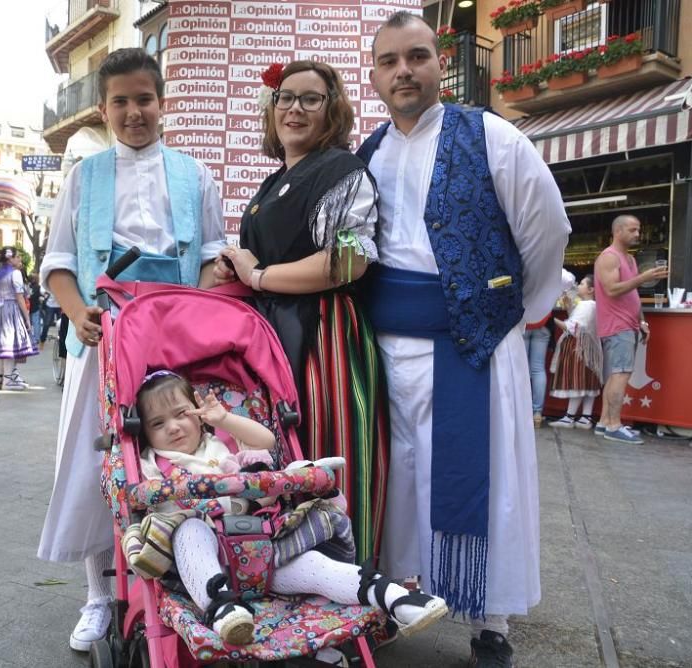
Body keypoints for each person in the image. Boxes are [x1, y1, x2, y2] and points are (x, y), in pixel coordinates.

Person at [356, 12, 571, 665]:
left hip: (473, 346)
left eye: (416, 57)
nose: (404, 71)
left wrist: (511, 311)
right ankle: (394, 600)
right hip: (388, 347)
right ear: (374, 73)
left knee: (486, 479)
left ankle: (491, 619)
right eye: (390, 60)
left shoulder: (493, 137)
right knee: (399, 482)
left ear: (439, 62)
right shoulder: (368, 150)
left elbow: (547, 231)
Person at [37, 47, 226, 653]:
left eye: (144, 99)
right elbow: (59, 265)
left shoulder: (195, 175)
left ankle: (181, 579)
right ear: (103, 108)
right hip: (102, 342)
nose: (134, 111)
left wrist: (186, 315)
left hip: (175, 342)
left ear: (162, 104)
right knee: (95, 467)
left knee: (178, 456)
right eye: (120, 101)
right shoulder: (82, 177)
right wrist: (77, 315)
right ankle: (97, 595)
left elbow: (213, 261)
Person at [213, 60, 387, 563]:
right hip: (274, 334)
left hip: (324, 339)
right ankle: (290, 586)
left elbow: (349, 260)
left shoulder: (341, 170)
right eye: (285, 97)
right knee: (281, 456)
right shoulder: (275, 182)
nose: (293, 108)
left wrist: (259, 276)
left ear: (331, 110)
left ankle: (346, 588)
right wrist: (237, 268)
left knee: (327, 452)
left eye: (310, 99)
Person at [133, 371, 447, 646]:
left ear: (199, 414)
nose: (173, 427)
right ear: (144, 432)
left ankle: (396, 598)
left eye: (182, 414)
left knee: (317, 568)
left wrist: (223, 419)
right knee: (188, 528)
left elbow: (267, 441)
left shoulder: (225, 442)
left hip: (263, 551)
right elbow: (148, 504)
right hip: (203, 563)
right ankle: (222, 610)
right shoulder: (153, 464)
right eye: (158, 423)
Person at [593, 214, 667, 444]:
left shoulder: (630, 259)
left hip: (628, 324)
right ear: (618, 231)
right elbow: (613, 289)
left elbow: (631, 295)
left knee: (617, 374)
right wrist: (642, 278)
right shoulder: (609, 257)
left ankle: (605, 423)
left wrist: (642, 321)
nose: (638, 234)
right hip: (616, 326)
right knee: (620, 374)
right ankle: (614, 425)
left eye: (638, 230)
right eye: (633, 230)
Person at [549, 275, 602, 429]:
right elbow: (577, 320)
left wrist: (550, 319)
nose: (579, 285)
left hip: (578, 348)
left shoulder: (587, 306)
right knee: (588, 383)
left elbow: (572, 327)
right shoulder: (591, 305)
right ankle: (586, 416)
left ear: (591, 289)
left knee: (577, 382)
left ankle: (569, 416)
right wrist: (568, 307)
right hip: (591, 349)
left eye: (583, 283)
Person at [0, 248, 37, 390]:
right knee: (10, 343)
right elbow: (19, 297)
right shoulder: (15, 274)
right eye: (17, 257)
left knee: (3, 344)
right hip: (11, 309)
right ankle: (8, 381)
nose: (20, 260)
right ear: (10, 259)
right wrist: (27, 318)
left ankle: (1, 377)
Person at [27, 272, 43, 343]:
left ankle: (29, 337)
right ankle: (37, 338)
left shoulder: (27, 286)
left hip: (28, 307)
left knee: (28, 323)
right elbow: (36, 295)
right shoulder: (37, 287)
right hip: (35, 307)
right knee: (36, 323)